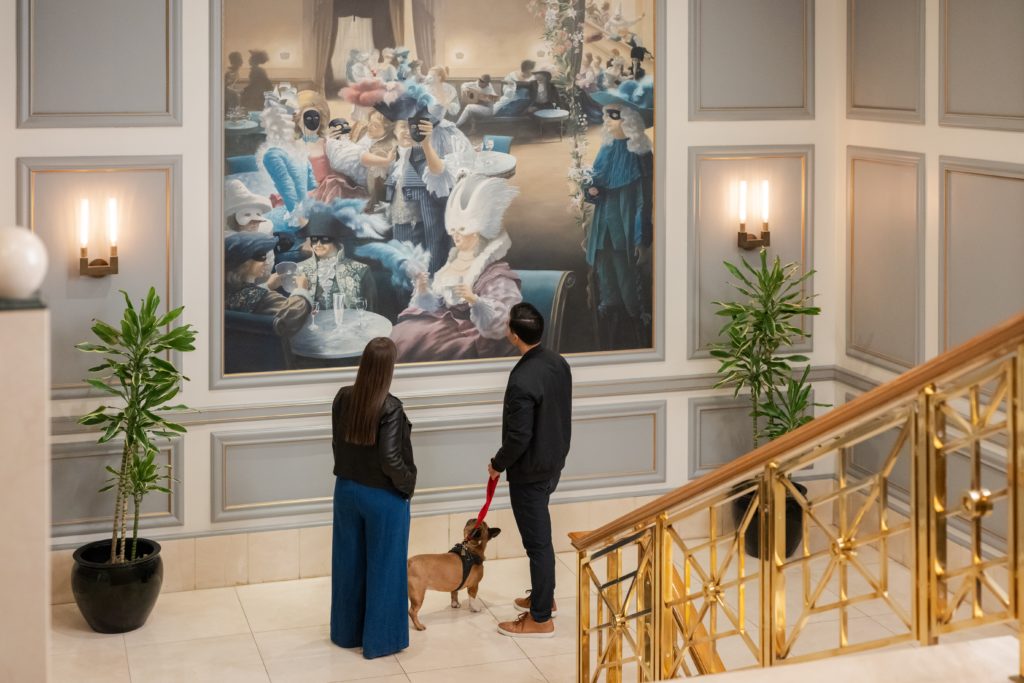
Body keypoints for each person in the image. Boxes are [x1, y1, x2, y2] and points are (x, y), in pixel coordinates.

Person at [488, 303, 572, 638]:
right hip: (553, 464)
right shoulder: (558, 362)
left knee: (537, 545)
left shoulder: (522, 377)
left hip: (531, 472)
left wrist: (497, 464)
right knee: (540, 542)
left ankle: (540, 618)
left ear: (514, 334)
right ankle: (543, 598)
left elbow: (519, 436)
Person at [330, 337, 417, 659]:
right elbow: (391, 460)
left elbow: (338, 445)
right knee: (386, 568)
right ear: (389, 368)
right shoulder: (391, 407)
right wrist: (408, 486)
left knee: (347, 565)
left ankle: (345, 634)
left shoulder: (343, 398)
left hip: (346, 491)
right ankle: (381, 642)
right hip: (383, 497)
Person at [391, 175, 522, 362]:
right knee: (402, 335)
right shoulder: (453, 262)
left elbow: (504, 323)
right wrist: (423, 289)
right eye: (453, 231)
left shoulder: (497, 275)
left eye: (461, 230)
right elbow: (438, 303)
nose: (456, 237)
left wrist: (475, 301)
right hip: (443, 326)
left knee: (418, 338)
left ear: (477, 232)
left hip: (473, 336)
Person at [586, 78, 654, 350]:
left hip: (624, 229)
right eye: (606, 115)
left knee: (629, 289)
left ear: (629, 120)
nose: (607, 121)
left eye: (613, 116)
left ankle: (635, 335)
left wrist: (641, 240)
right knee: (606, 281)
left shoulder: (641, 155)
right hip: (603, 227)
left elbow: (643, 202)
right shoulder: (607, 148)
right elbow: (595, 181)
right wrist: (590, 189)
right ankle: (607, 334)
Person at [224, 232, 312, 335]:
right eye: (261, 257)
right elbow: (292, 316)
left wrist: (267, 286)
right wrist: (301, 289)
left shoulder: (225, 291)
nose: (266, 262)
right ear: (245, 263)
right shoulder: (265, 299)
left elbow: (248, 297)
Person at [296, 209, 378, 312]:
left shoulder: (361, 271)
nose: (318, 244)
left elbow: (371, 313)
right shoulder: (299, 269)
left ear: (335, 240)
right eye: (314, 239)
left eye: (324, 239)